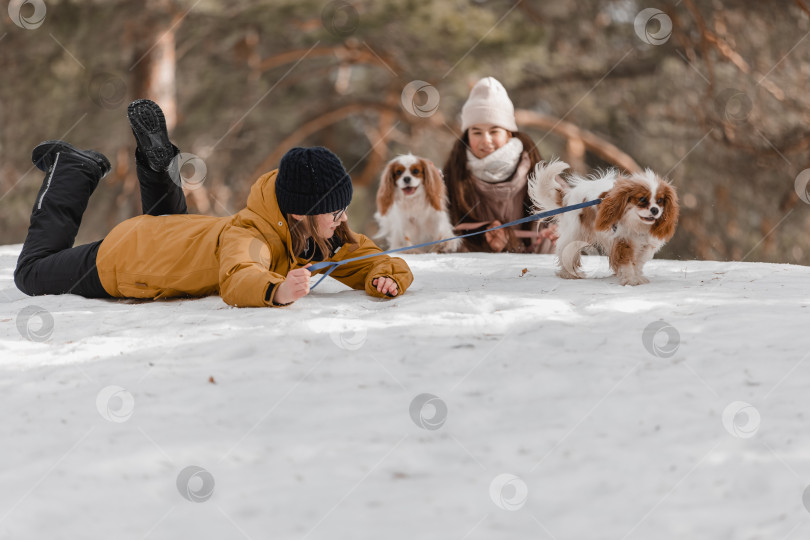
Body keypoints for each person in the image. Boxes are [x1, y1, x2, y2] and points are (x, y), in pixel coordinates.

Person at [14, 99, 412, 307]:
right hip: (128, 258)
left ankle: (160, 163)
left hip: (172, 235)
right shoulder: (250, 236)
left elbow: (369, 257)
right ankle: (72, 169)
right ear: (299, 213)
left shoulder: (317, 233)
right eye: (335, 210)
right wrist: (277, 291)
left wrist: (387, 278)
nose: (343, 218)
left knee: (171, 228)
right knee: (31, 274)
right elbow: (238, 276)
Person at [442, 77, 558, 253]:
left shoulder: (542, 177)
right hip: (468, 272)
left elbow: (569, 218)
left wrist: (559, 232)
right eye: (477, 132)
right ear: (467, 135)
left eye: (494, 131)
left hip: (534, 273)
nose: (485, 140)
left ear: (509, 133)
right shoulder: (451, 178)